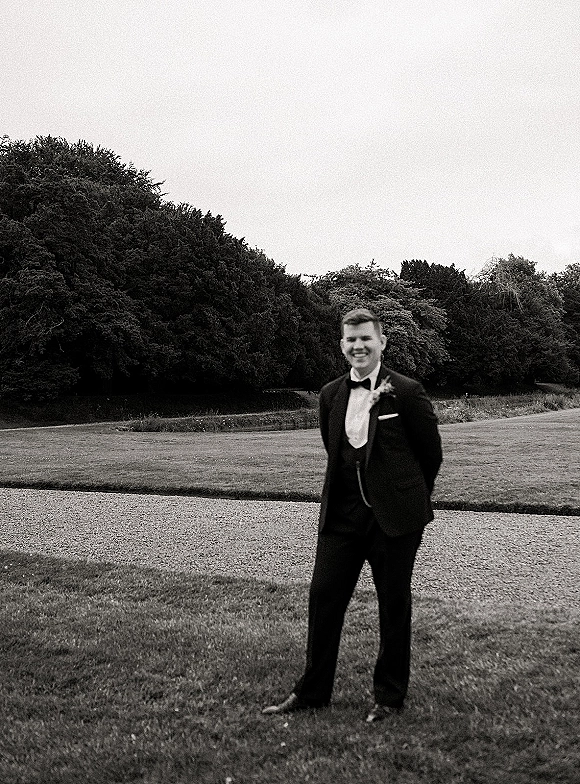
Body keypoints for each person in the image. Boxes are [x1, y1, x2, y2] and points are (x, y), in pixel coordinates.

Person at [262, 307, 442, 722]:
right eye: (350, 339)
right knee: (324, 599)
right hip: (341, 517)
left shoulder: (407, 391)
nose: (358, 346)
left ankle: (389, 697)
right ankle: (312, 692)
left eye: (365, 338)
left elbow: (430, 454)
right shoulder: (330, 394)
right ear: (342, 345)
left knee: (392, 605)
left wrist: (407, 500)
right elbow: (335, 448)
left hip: (394, 520)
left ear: (381, 342)